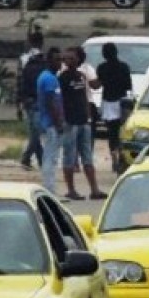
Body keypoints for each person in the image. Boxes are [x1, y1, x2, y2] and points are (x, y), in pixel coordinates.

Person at [59, 47, 107, 201]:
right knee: (70, 157)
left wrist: (88, 116)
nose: (70, 61)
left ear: (78, 59)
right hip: (70, 122)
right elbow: (59, 100)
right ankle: (71, 189)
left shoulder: (81, 76)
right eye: (67, 58)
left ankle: (94, 189)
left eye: (73, 58)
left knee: (87, 157)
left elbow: (85, 96)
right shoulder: (62, 78)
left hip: (83, 122)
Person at [92, 42, 133, 174]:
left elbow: (98, 84)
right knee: (122, 132)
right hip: (121, 102)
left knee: (111, 133)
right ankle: (121, 155)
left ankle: (114, 155)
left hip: (108, 103)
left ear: (104, 54)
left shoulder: (102, 68)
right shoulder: (124, 67)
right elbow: (128, 86)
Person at [37, 48, 65, 196]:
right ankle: (49, 190)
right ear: (49, 61)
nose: (59, 63)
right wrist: (59, 123)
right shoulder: (48, 79)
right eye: (56, 60)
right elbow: (51, 103)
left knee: (52, 158)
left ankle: (50, 188)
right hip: (50, 124)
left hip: (50, 123)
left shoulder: (51, 77)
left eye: (60, 59)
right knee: (50, 158)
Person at [18, 30, 45, 171]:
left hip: (28, 98)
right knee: (36, 132)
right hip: (37, 99)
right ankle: (27, 157)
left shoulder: (24, 59)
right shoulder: (44, 60)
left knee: (34, 131)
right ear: (41, 42)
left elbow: (20, 81)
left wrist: (19, 101)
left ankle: (41, 160)